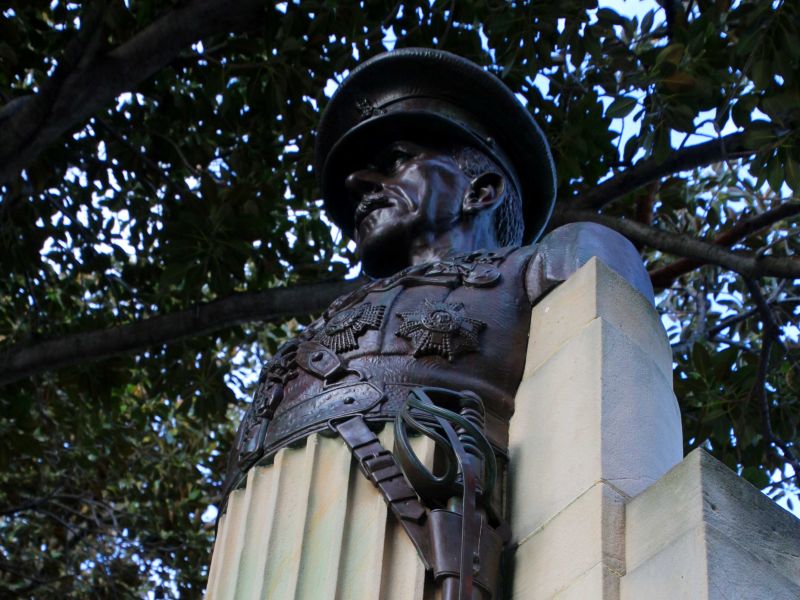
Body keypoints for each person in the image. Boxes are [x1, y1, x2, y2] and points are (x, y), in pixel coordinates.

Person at [221, 48, 653, 598]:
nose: (360, 182)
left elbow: (618, 425)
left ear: (482, 191)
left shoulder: (556, 260)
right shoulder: (316, 331)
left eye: (398, 159)